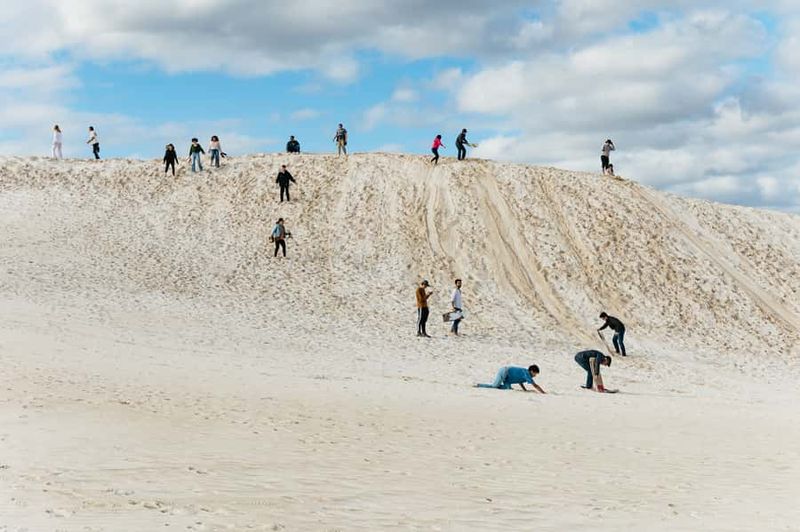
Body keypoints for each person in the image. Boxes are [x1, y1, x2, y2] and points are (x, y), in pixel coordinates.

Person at [475, 365, 545, 393]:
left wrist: (524, 390)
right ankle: (478, 385)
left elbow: (520, 381)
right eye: (535, 373)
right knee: (494, 386)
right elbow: (535, 385)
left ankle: (496, 385)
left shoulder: (526, 374)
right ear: (532, 371)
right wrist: (543, 392)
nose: (535, 375)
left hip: (507, 377)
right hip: (504, 371)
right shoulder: (527, 374)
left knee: (508, 388)